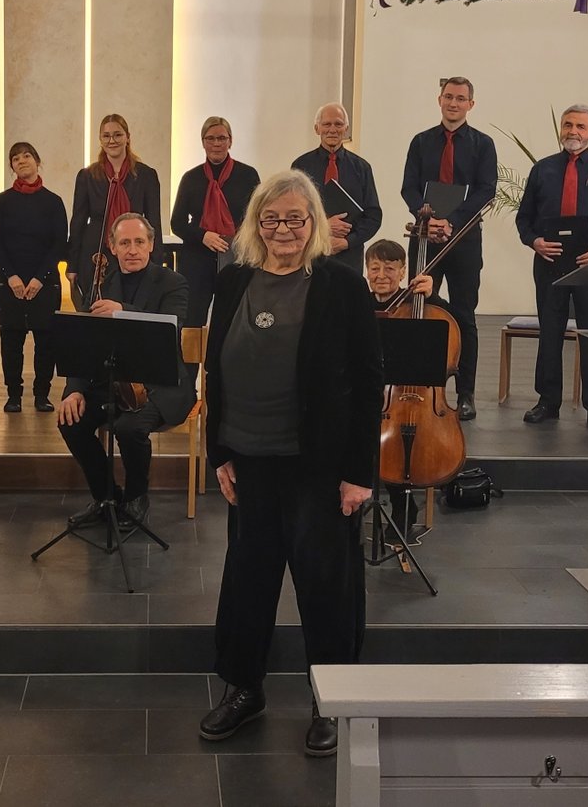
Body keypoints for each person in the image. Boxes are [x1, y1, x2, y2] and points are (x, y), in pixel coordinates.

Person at [199, 170, 382, 758]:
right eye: (271, 219)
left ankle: (330, 700)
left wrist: (358, 473)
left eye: (295, 219)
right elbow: (217, 370)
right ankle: (244, 689)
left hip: (318, 466)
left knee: (325, 586)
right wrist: (221, 452)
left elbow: (366, 380)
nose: (283, 230)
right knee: (248, 582)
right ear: (255, 224)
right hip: (249, 459)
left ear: (314, 225)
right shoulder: (232, 283)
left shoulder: (341, 287)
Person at [57, 214, 193, 532]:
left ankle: (136, 499)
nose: (132, 250)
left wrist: (121, 311)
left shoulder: (173, 282)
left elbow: (170, 326)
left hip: (162, 384)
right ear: (113, 247)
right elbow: (85, 340)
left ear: (151, 245)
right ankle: (107, 498)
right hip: (113, 382)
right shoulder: (100, 284)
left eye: (139, 242)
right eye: (124, 243)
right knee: (71, 421)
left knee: (129, 427)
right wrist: (74, 389)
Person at [513, 104, 588, 431]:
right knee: (549, 333)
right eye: (568, 125)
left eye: (580, 126)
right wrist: (535, 240)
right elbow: (523, 218)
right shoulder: (542, 170)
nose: (573, 131)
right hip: (550, 264)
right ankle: (547, 401)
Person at [400, 77, 497, 422]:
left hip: (465, 240)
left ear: (471, 104)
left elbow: (487, 191)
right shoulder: (421, 142)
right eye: (448, 97)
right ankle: (419, 386)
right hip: (424, 237)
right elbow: (409, 188)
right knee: (420, 311)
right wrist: (428, 217)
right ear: (439, 99)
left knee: (465, 314)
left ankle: (466, 393)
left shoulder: (483, 145)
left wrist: (451, 221)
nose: (453, 103)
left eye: (460, 98)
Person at [364, 239, 442, 544]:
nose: (382, 274)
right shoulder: (358, 302)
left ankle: (403, 505)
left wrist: (434, 296)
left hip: (404, 397)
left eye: (390, 268)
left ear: (402, 271)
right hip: (366, 392)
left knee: (397, 441)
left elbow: (449, 325)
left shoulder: (417, 303)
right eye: (374, 268)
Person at [0, 142, 66, 413]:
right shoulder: (2, 201)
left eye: (27, 156)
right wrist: (11, 276)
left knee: (46, 342)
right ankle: (14, 395)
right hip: (10, 282)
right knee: (11, 341)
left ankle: (42, 394)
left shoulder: (53, 201)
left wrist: (40, 278)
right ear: (11, 167)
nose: (22, 161)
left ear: (38, 161)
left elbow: (59, 243)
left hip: (44, 282)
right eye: (16, 159)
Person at [169, 116, 260, 326]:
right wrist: (203, 236)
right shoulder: (191, 178)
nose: (216, 144)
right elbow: (177, 222)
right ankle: (190, 360)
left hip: (237, 256)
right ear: (202, 142)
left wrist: (237, 238)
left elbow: (257, 217)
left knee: (233, 319)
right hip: (198, 259)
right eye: (210, 138)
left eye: (221, 138)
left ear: (231, 141)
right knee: (192, 321)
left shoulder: (248, 175)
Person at [66, 114, 162, 305]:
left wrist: (156, 263)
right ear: (100, 140)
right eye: (106, 136)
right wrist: (72, 264)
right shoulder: (87, 176)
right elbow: (77, 222)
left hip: (132, 249)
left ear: (128, 137)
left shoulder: (146, 175)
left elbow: (154, 222)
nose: (112, 141)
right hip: (96, 253)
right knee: (95, 310)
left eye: (117, 135)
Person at [291, 102, 383, 275]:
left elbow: (373, 216)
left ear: (346, 128)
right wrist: (324, 226)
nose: (332, 129)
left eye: (338, 124)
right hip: (311, 253)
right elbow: (293, 214)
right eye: (326, 124)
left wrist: (347, 242)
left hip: (350, 256)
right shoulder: (300, 166)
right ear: (317, 128)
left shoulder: (362, 168)